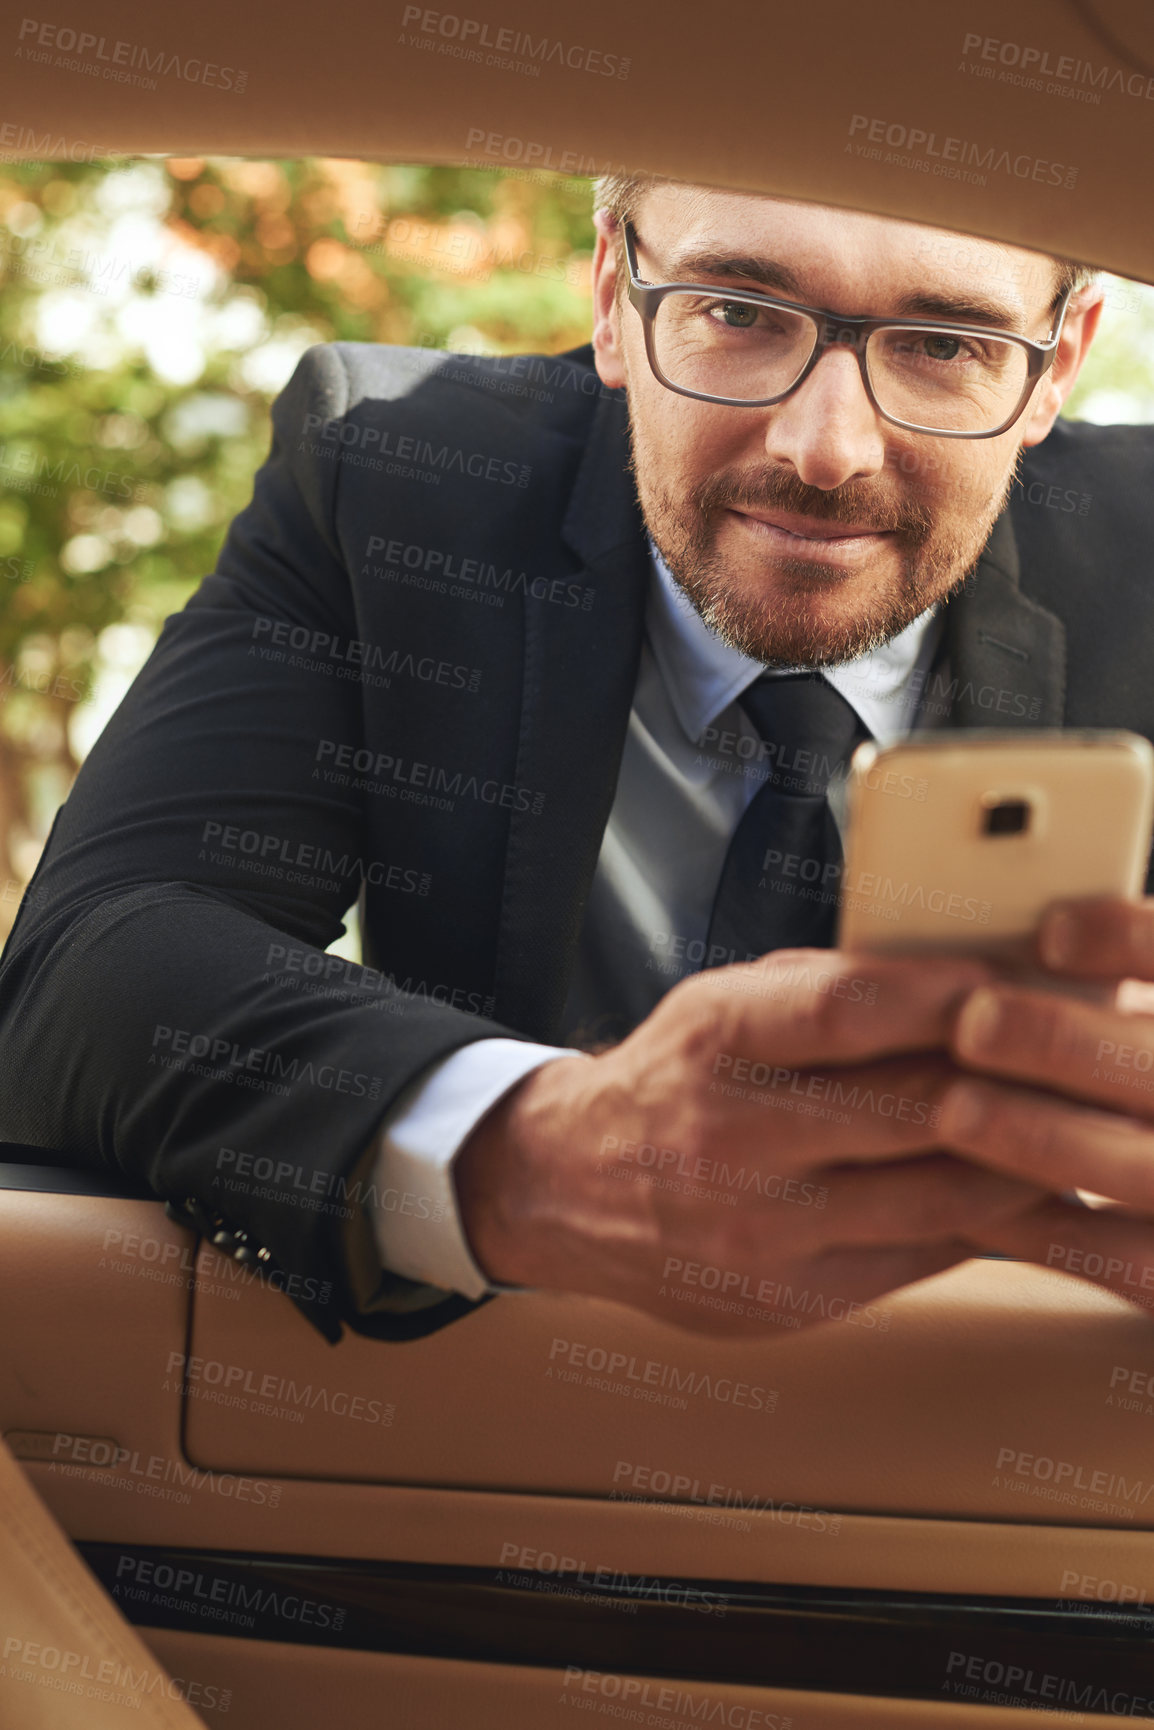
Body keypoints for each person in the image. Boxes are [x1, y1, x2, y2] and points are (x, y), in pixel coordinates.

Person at [3, 174, 1154, 1347]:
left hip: (984, 1423)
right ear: (612, 295)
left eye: (943, 343)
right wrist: (538, 1154)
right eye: (738, 312)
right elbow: (96, 966)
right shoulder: (391, 472)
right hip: (476, 1413)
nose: (825, 449)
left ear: (1055, 365)